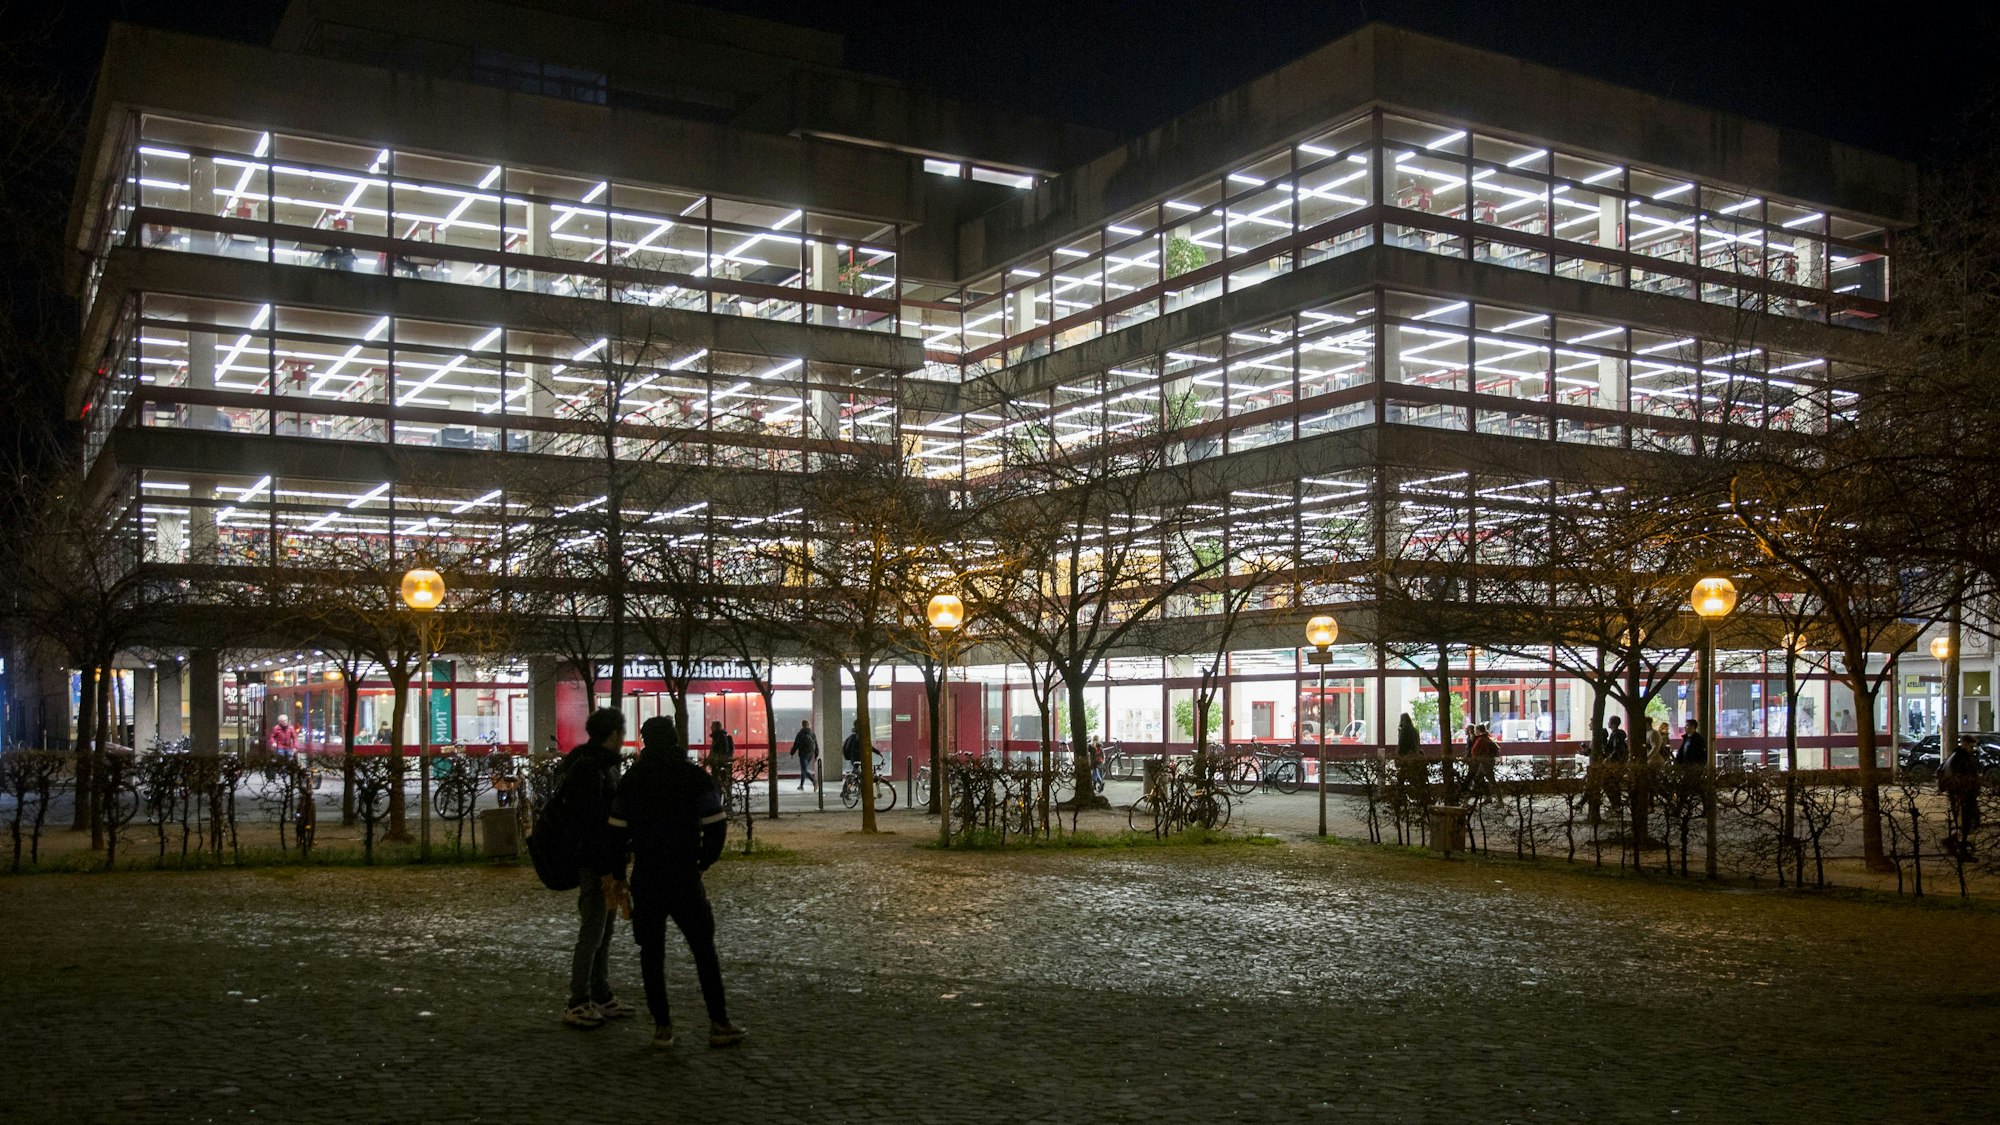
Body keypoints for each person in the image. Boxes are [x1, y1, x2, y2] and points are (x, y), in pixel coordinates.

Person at [606, 716, 746, 1049]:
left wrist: (618, 875)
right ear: (674, 739)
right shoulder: (693, 776)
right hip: (684, 874)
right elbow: (715, 824)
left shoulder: (632, 779)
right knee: (703, 950)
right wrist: (703, 860)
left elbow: (615, 832)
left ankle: (663, 1027)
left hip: (647, 876)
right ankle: (718, 1022)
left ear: (645, 741)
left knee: (651, 954)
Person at [561, 707, 634, 1029]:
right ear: (614, 734)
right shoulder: (591, 769)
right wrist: (607, 866)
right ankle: (578, 1000)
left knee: (604, 931)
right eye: (621, 731)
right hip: (595, 862)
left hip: (605, 860)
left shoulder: (596, 765)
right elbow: (593, 823)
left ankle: (600, 994)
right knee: (592, 931)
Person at [1941, 736, 1983, 860]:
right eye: (1971, 746)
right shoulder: (1959, 758)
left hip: (1965, 795)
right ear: (1964, 744)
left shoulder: (1959, 757)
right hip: (1962, 795)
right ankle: (1960, 848)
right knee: (1965, 823)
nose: (1972, 749)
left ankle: (1955, 842)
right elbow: (1957, 777)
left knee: (1968, 823)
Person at [790, 720, 819, 791]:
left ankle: (814, 781)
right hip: (810, 754)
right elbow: (816, 744)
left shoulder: (800, 734)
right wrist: (816, 755)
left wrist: (792, 753)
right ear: (808, 725)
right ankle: (801, 785)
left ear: (802, 725)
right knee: (803, 769)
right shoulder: (812, 733)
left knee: (804, 769)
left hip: (803, 754)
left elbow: (796, 744)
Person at [707, 720, 734, 794]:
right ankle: (725, 797)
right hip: (719, 763)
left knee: (719, 782)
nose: (710, 728)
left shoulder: (719, 737)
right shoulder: (719, 736)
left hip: (719, 764)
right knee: (721, 782)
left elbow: (720, 750)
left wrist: (713, 758)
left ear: (716, 727)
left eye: (712, 726)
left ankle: (722, 797)